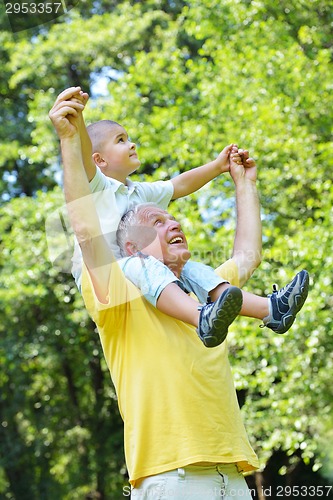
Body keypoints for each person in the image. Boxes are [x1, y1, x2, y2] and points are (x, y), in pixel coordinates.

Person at [50, 94, 308, 499]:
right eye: (157, 220)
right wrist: (70, 137)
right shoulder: (118, 293)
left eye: (172, 217)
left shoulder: (206, 290)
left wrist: (244, 183)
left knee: (217, 289)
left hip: (235, 475)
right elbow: (84, 229)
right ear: (133, 244)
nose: (173, 222)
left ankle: (272, 311)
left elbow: (247, 255)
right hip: (173, 477)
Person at [49, 87, 308, 348]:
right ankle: (200, 317)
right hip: (104, 278)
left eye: (128, 138)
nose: (131, 144)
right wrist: (77, 120)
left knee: (188, 267)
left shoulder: (139, 192)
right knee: (143, 264)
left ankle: (271, 309)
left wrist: (218, 167)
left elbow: (180, 185)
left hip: (142, 272)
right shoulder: (97, 186)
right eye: (120, 140)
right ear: (99, 160)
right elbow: (81, 155)